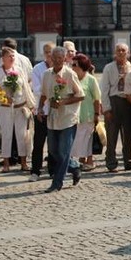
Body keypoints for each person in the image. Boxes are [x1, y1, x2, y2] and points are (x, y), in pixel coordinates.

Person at [38, 46, 84, 192]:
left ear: (64, 59)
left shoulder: (70, 74)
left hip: (68, 117)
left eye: (60, 58)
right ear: (50, 59)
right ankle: (74, 166)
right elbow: (44, 94)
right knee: (53, 150)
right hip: (53, 117)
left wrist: (63, 102)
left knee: (64, 151)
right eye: (54, 58)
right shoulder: (46, 74)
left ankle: (57, 182)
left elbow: (80, 95)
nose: (57, 61)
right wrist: (40, 108)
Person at [0, 47, 33, 172]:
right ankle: (6, 163)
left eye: (13, 56)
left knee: (21, 135)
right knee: (6, 135)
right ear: (3, 58)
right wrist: (3, 98)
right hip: (5, 107)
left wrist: (29, 104)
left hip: (20, 106)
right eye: (9, 56)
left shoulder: (19, 70)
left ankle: (23, 162)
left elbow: (25, 86)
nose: (12, 58)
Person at [100, 43, 131, 172]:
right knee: (112, 135)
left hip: (127, 101)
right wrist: (107, 108)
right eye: (118, 50)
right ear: (115, 52)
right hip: (114, 101)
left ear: (128, 52)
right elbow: (104, 89)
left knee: (128, 134)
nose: (121, 53)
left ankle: (128, 161)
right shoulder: (108, 68)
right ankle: (111, 162)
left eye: (123, 50)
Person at [69, 54, 101, 171]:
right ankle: (78, 161)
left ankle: (90, 160)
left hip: (88, 114)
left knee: (88, 139)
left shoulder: (91, 80)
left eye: (74, 65)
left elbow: (97, 98)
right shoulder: (72, 78)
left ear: (82, 66)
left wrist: (97, 114)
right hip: (74, 115)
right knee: (77, 140)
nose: (72, 67)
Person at [29, 42, 55, 182]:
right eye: (47, 52)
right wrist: (52, 91)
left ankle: (52, 170)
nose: (49, 55)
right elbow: (38, 88)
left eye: (51, 52)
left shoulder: (60, 68)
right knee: (38, 142)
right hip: (42, 110)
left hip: (56, 111)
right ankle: (35, 170)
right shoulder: (38, 69)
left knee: (53, 143)